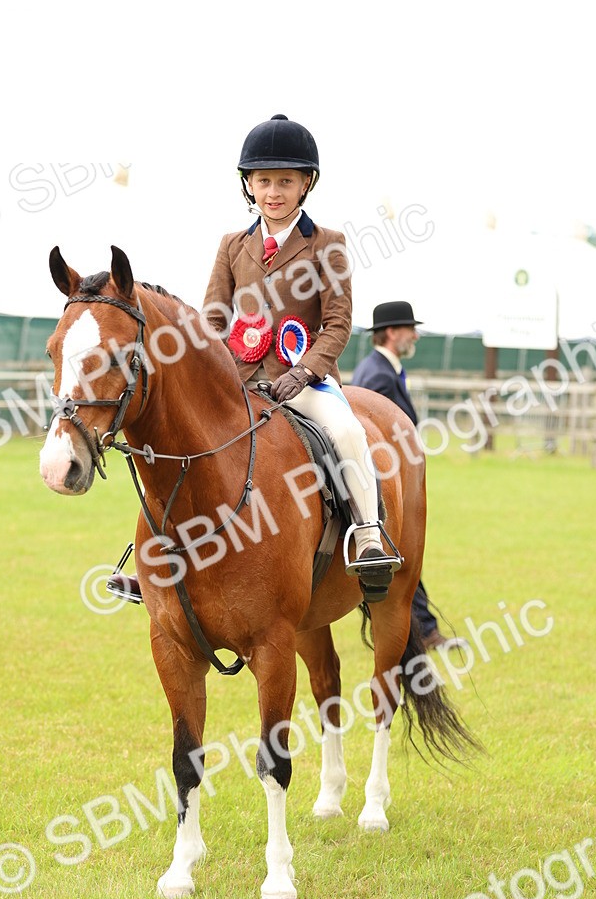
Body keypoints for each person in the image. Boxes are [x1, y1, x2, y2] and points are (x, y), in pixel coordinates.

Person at [108, 114, 400, 605]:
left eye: (285, 181)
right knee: (178, 443)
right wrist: (212, 373)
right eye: (263, 181)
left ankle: (368, 536)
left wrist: (304, 371)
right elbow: (213, 323)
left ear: (306, 183)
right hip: (237, 381)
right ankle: (153, 557)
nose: (273, 191)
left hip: (303, 380)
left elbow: (337, 323)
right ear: (248, 184)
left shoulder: (328, 244)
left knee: (348, 431)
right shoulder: (232, 245)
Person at [351, 301, 467, 651]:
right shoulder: (379, 377)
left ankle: (425, 627)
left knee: (405, 565)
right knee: (402, 564)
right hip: (385, 484)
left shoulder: (382, 370)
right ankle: (425, 630)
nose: (414, 334)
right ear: (391, 332)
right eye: (409, 328)